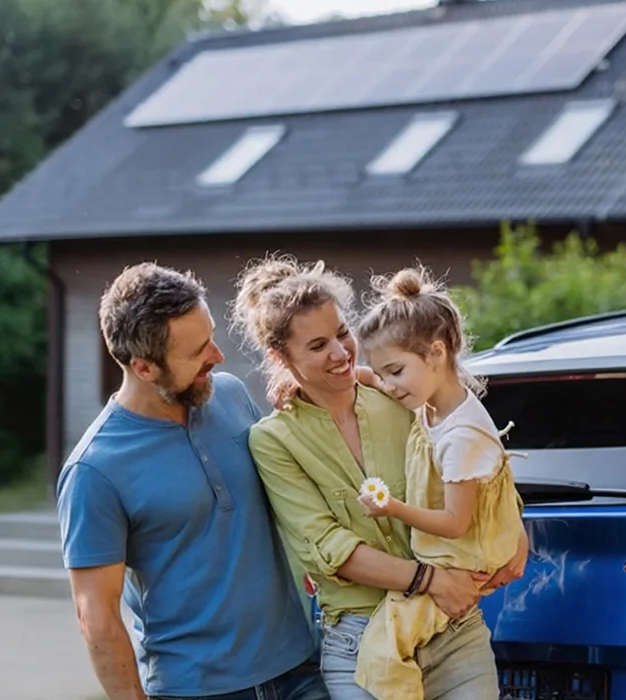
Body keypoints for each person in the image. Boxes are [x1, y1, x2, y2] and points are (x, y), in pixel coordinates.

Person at [230, 255, 528, 700]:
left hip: (453, 632)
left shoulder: (398, 395)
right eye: (316, 347)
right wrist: (430, 579)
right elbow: (330, 547)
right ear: (280, 357)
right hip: (362, 642)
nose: (339, 353)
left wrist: (516, 533)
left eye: (342, 334)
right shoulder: (274, 440)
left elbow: (474, 464)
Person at [57, 262, 326, 700]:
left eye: (212, 336)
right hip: (198, 689)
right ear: (144, 368)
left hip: (301, 670)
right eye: (197, 351)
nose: (217, 356)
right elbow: (96, 616)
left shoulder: (232, 395)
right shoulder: (94, 471)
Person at [347, 266, 527, 700]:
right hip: (455, 551)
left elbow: (454, 522)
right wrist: (339, 377)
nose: (387, 386)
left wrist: (391, 507)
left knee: (383, 648)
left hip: (464, 555)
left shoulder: (461, 436)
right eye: (382, 373)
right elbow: (374, 376)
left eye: (394, 371)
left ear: (436, 352)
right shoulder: (431, 398)